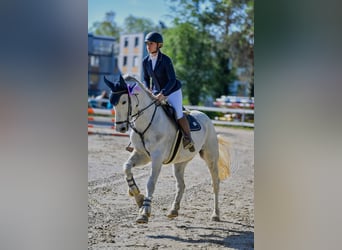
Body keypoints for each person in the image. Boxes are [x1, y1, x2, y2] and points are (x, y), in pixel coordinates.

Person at [142, 31, 195, 152]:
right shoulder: (145, 61)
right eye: (147, 44)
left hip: (172, 90)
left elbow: (172, 80)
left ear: (158, 45)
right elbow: (146, 78)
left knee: (178, 113)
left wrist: (163, 93)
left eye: (151, 43)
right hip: (156, 91)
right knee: (146, 110)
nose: (148, 46)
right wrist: (147, 88)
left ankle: (188, 139)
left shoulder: (166, 60)